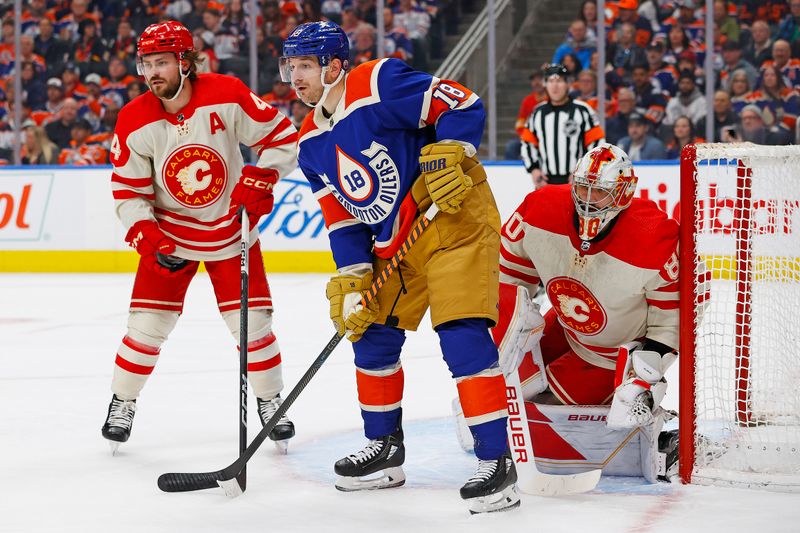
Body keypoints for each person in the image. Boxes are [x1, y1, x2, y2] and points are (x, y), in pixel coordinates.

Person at [282, 21, 519, 514]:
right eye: (290, 66)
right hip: (397, 240)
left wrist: (452, 149)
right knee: (371, 335)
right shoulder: (309, 145)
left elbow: (461, 104)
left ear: (334, 65)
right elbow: (343, 217)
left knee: (461, 334)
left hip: (453, 216)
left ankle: (497, 464)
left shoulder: (378, 82)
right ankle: (385, 452)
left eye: (305, 65)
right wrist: (354, 276)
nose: (295, 77)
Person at [101, 21, 298, 454]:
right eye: (147, 63)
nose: (153, 72)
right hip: (170, 236)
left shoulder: (225, 92)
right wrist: (147, 236)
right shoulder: (134, 118)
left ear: (185, 63)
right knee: (145, 329)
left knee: (254, 329)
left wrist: (262, 178)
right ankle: (122, 402)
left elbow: (282, 137)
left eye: (163, 62)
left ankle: (270, 401)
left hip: (232, 232)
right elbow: (128, 191)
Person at [496, 142, 681, 478]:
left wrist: (646, 373)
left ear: (624, 193)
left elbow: (672, 317)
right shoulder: (541, 207)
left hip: (609, 355)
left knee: (541, 414)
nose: (587, 199)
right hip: (565, 325)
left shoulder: (654, 235)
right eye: (583, 188)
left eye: (601, 192)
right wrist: (519, 312)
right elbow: (509, 266)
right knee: (501, 389)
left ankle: (655, 426)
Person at [521, 63, 605, 189]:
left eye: (559, 81)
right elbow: (527, 143)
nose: (554, 86)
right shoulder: (537, 113)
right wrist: (534, 170)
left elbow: (597, 145)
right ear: (545, 84)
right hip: (545, 184)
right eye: (550, 81)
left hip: (577, 184)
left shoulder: (583, 110)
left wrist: (584, 172)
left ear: (568, 84)